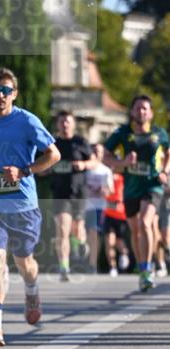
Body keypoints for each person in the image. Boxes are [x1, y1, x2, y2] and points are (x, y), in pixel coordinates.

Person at [0, 68, 60, 348]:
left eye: (6, 90)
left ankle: (31, 288)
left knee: (23, 262)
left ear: (14, 94)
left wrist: (24, 171)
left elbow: (54, 154)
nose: (0, 96)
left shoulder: (27, 121)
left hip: (22, 207)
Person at [104, 95, 170, 291]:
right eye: (138, 108)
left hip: (152, 185)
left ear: (150, 113)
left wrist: (165, 171)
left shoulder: (159, 133)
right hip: (131, 187)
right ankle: (142, 269)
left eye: (145, 108)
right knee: (135, 230)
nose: (141, 111)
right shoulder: (122, 133)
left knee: (145, 222)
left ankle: (148, 269)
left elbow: (168, 152)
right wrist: (122, 163)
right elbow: (105, 157)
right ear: (132, 112)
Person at [49, 111, 95, 281]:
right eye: (62, 122)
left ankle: (80, 243)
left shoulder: (80, 142)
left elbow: (94, 161)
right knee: (62, 229)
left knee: (77, 229)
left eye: (68, 121)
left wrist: (83, 164)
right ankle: (64, 267)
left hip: (78, 192)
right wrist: (46, 169)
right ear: (58, 124)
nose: (65, 125)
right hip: (60, 192)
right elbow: (42, 164)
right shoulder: (52, 143)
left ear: (73, 124)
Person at [84, 142, 114, 273]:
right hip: (82, 205)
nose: (97, 153)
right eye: (94, 150)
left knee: (94, 234)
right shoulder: (85, 168)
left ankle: (92, 264)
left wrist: (104, 190)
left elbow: (111, 190)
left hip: (97, 206)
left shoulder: (106, 170)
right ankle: (84, 255)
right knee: (82, 236)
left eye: (100, 151)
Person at [103, 170, 130, 276]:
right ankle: (112, 267)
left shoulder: (124, 178)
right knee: (109, 242)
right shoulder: (105, 177)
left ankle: (124, 254)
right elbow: (103, 192)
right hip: (108, 215)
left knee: (119, 242)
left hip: (121, 216)